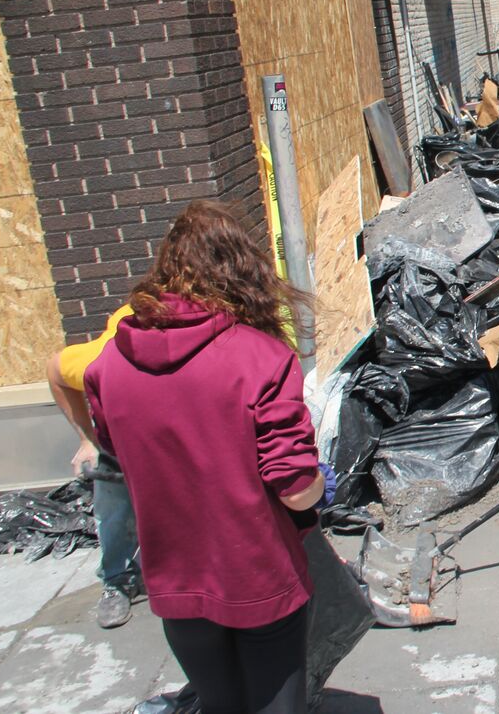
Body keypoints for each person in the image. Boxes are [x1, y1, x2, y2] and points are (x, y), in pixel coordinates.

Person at [84, 200, 325, 712]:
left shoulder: (108, 365)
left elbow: (116, 451)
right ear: (244, 272)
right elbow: (298, 490)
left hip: (174, 580)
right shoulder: (261, 357)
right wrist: (319, 474)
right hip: (259, 575)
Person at [47, 306, 142, 628]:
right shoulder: (100, 359)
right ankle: (116, 580)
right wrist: (87, 438)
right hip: (116, 443)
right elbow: (56, 369)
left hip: (172, 440)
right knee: (114, 510)